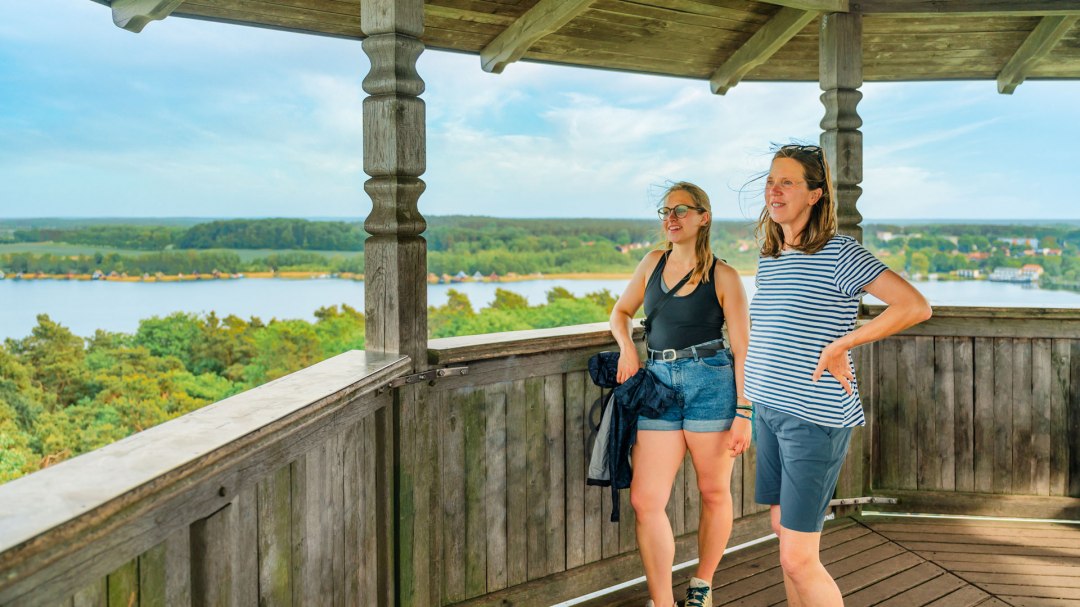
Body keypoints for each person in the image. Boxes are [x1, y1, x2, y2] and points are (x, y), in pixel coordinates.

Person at [744, 144, 932, 606]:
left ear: (815, 194)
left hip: (813, 418)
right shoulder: (771, 254)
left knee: (797, 558)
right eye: (771, 180)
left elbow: (915, 306)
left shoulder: (840, 252)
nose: (775, 189)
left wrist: (844, 343)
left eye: (787, 181)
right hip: (768, 409)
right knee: (782, 534)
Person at [609, 181, 752, 607]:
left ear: (703, 218)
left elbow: (744, 349)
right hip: (658, 384)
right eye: (665, 211)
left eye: (681, 211)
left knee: (713, 492)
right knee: (645, 499)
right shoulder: (652, 262)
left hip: (711, 381)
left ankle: (701, 585)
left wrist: (745, 411)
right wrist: (628, 349)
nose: (670, 219)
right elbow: (620, 313)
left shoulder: (724, 275)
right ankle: (662, 602)